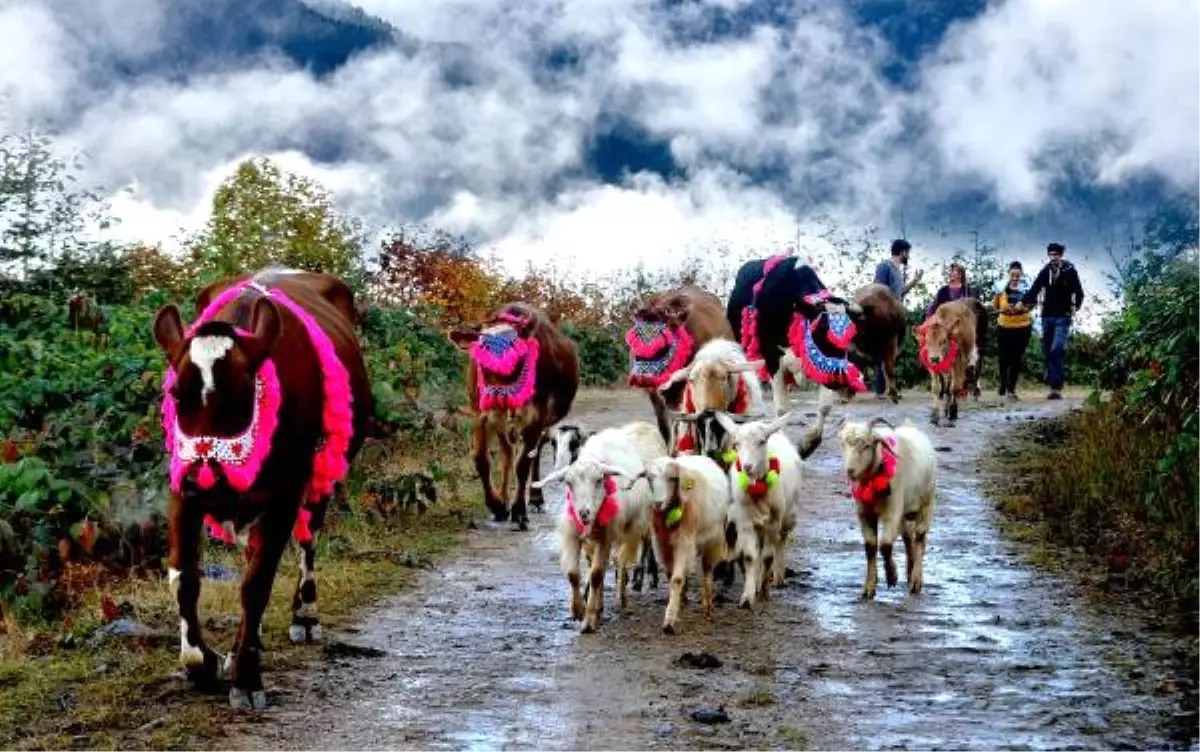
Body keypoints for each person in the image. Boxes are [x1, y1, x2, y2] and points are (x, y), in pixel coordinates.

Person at [1022, 242, 1085, 400]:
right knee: (1047, 350)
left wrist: (1075, 306)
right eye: (1050, 255)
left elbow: (1079, 292)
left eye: (1055, 254)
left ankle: (1056, 386)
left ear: (1061, 255)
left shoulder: (1069, 271)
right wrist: (1023, 302)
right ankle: (1053, 384)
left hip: (1062, 317)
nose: (1053, 257)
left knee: (1056, 349)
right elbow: (1035, 289)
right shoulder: (1045, 271)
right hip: (1046, 316)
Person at [871, 239, 924, 398]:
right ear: (903, 252)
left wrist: (914, 281)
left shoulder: (897, 270)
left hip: (896, 316)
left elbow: (899, 294)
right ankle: (880, 391)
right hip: (885, 316)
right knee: (883, 351)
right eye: (908, 252)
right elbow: (877, 291)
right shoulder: (884, 266)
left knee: (892, 352)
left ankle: (889, 388)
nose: (909, 256)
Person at [993, 261, 1032, 401]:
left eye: (1017, 275)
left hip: (1022, 326)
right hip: (1004, 326)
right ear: (1008, 274)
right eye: (1012, 275)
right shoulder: (1000, 289)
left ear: (1021, 275)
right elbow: (995, 306)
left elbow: (1031, 305)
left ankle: (1011, 389)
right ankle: (1003, 382)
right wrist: (1004, 309)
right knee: (1003, 358)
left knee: (1016, 359)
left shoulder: (1027, 288)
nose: (1015, 278)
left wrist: (1021, 309)